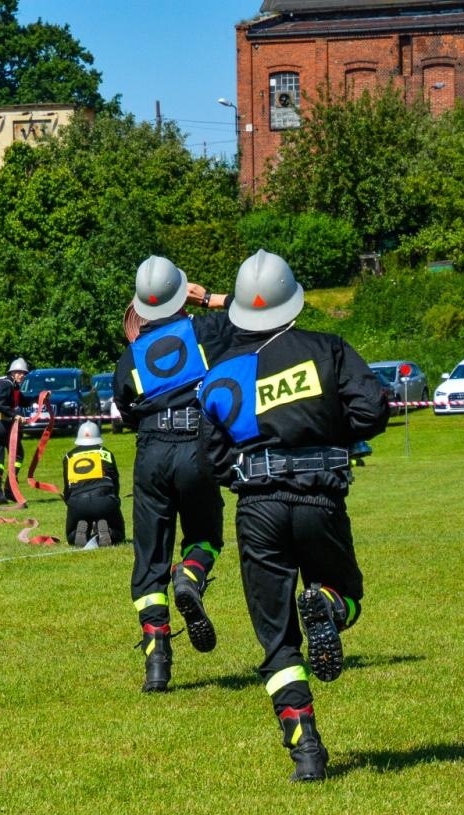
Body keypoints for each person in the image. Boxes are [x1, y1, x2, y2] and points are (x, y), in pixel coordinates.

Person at [198, 250, 390, 782]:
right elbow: (372, 411)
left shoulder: (218, 377)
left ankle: (306, 749)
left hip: (257, 510)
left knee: (277, 640)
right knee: (346, 589)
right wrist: (330, 431)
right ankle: (326, 602)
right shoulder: (327, 349)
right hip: (320, 498)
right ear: (292, 301)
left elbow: (212, 461)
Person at [114, 254, 236, 693]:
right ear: (181, 295)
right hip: (198, 447)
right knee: (206, 535)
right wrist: (209, 298)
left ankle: (157, 662)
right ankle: (191, 575)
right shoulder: (205, 331)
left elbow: (126, 410)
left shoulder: (129, 358)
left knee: (149, 559)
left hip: (150, 454)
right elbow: (258, 310)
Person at [61, 420, 125, 547]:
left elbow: (67, 488)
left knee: (71, 536)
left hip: (78, 501)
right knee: (120, 534)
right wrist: (115, 501)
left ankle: (80, 532)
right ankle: (109, 531)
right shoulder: (105, 453)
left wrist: (71, 505)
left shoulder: (69, 456)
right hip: (104, 499)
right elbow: (114, 481)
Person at [0, 358, 29, 505]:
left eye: (23, 373)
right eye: (19, 373)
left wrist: (41, 397)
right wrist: (14, 414)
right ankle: (10, 487)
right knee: (18, 454)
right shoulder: (6, 384)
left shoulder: (13, 387)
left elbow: (24, 401)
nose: (21, 375)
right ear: (12, 373)